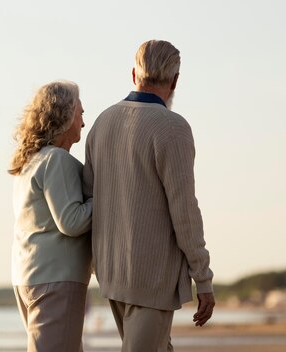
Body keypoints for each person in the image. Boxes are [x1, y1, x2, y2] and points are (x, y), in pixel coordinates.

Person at [82, 40, 215, 352]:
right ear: (175, 80)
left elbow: (88, 201)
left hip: (111, 274)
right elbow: (185, 211)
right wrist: (203, 278)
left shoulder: (101, 123)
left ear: (133, 75)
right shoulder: (172, 127)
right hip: (151, 278)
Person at [9, 81, 93, 352]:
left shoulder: (30, 163)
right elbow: (72, 221)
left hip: (29, 276)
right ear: (66, 116)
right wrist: (105, 198)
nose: (82, 121)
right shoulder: (56, 160)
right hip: (57, 280)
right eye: (80, 112)